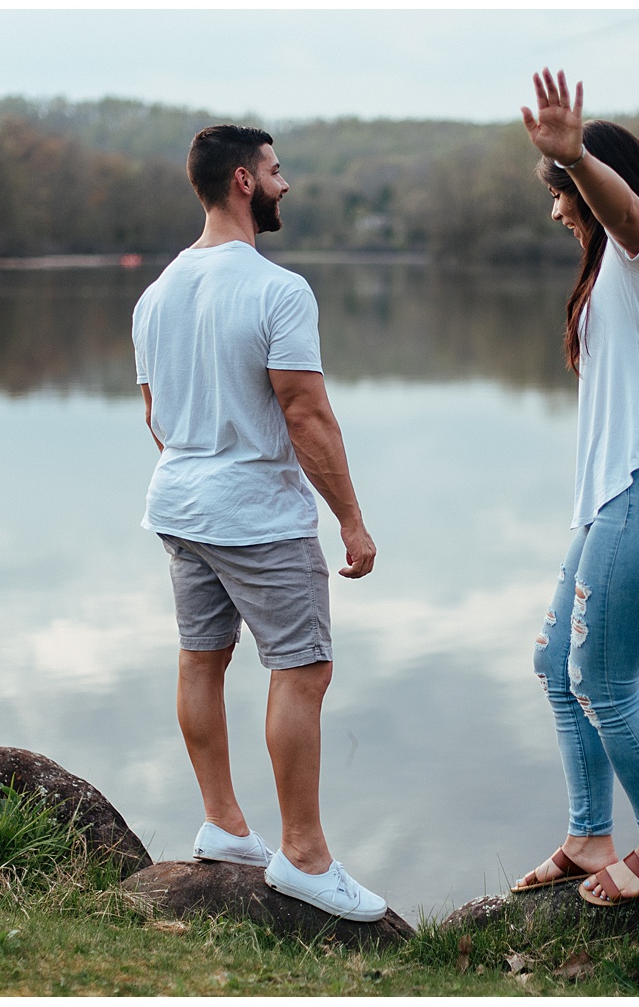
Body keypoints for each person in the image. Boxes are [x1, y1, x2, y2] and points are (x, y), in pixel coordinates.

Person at [131, 124, 386, 922]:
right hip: (257, 515)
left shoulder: (157, 292)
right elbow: (306, 414)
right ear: (243, 180)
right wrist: (351, 520)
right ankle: (304, 857)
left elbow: (155, 417)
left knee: (201, 659)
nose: (287, 185)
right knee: (301, 669)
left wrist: (202, 463)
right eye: (278, 172)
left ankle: (223, 823)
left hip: (179, 505)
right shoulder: (279, 290)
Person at [511, 70, 639, 907]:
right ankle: (589, 834)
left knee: (604, 682)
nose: (557, 207)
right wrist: (573, 170)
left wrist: (579, 162)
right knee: (556, 668)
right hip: (614, 502)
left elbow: (624, 214)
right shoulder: (610, 276)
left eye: (561, 191)